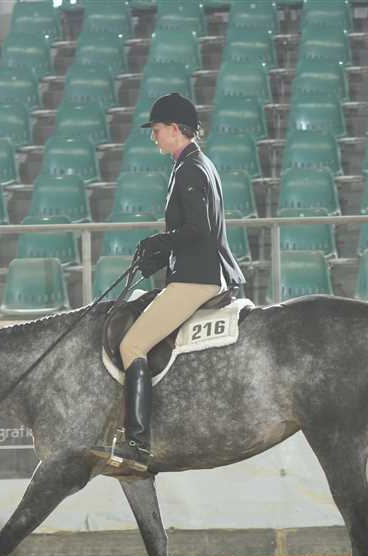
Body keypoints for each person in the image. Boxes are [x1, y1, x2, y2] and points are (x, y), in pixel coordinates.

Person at [108, 92, 246, 471]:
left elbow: (198, 229)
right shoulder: (197, 163)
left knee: (133, 343)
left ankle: (137, 443)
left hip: (197, 278)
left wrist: (161, 241)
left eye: (156, 130)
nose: (153, 137)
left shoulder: (189, 169)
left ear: (173, 129)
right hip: (198, 271)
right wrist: (163, 252)